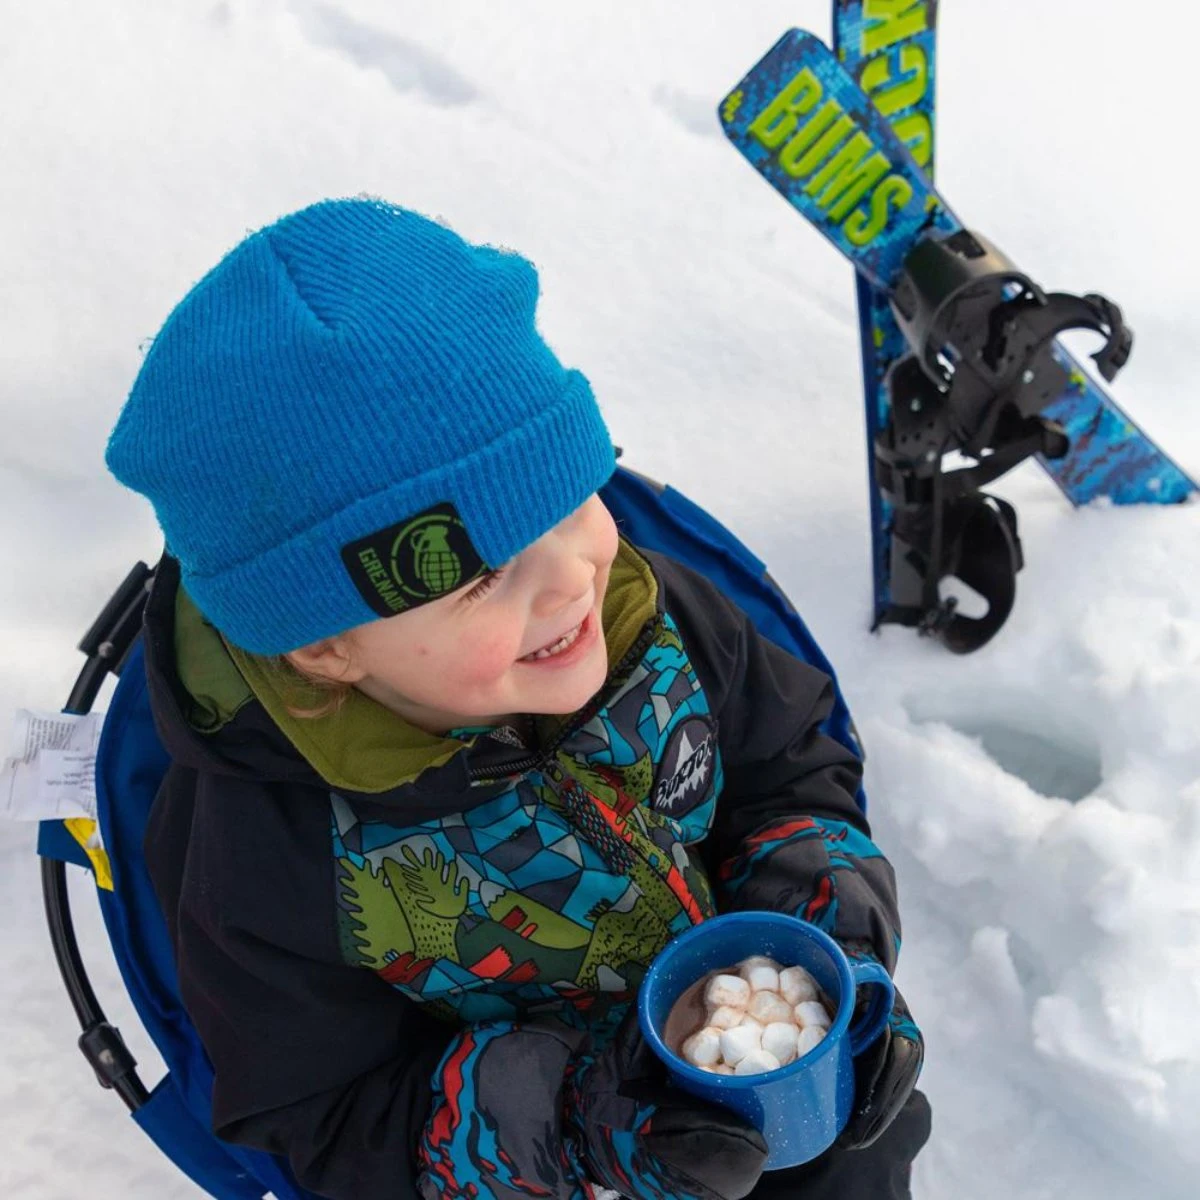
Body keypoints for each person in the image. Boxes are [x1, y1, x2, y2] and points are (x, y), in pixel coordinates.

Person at [105, 197, 931, 1200]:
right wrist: (584, 1128)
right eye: (479, 577)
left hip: (774, 1093)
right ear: (327, 648)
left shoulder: (654, 614)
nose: (571, 576)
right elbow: (324, 1116)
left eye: (568, 498)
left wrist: (822, 931)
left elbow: (791, 762)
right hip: (545, 1170)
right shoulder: (264, 851)